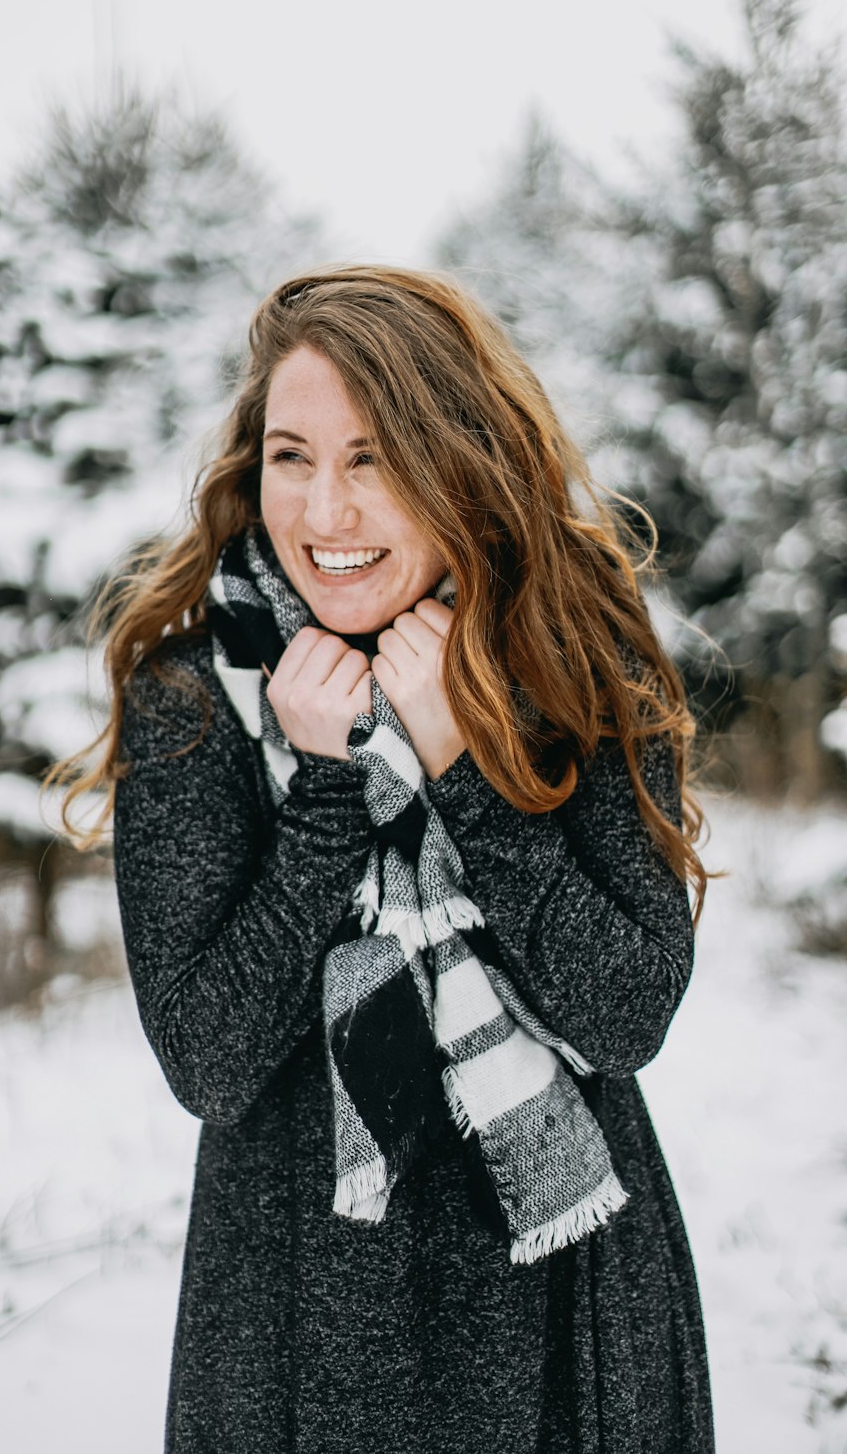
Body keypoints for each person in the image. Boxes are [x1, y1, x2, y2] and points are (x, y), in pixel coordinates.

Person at [55, 265, 715, 1453]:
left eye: (373, 459)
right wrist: (322, 796)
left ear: (460, 462)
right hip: (294, 1316)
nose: (323, 514)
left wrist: (468, 773)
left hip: (567, 1308)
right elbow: (208, 1059)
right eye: (292, 457)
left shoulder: (577, 664)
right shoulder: (194, 703)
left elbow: (625, 1014)